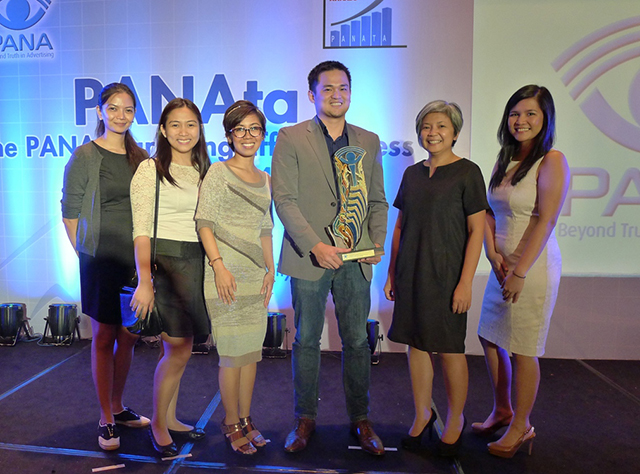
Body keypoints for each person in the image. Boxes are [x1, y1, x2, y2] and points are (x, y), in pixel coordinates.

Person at [272, 60, 388, 456]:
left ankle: (361, 419)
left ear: (351, 93)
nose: (336, 95)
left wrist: (376, 242)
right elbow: (284, 199)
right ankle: (304, 419)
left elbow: (377, 200)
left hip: (357, 258)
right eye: (327, 89)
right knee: (306, 339)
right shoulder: (291, 137)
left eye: (343, 88)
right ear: (312, 94)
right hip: (310, 257)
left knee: (356, 341)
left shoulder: (369, 139)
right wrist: (314, 245)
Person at [384, 101, 488, 456]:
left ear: (455, 132)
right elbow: (400, 227)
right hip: (410, 272)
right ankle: (422, 415)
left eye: (441, 126)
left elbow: (476, 231)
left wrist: (465, 282)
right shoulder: (412, 174)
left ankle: (455, 419)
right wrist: (392, 273)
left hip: (447, 276)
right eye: (427, 126)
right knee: (416, 345)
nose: (433, 133)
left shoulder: (468, 173)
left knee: (450, 349)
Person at [473, 85, 569, 458]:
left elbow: (546, 220)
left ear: (545, 119)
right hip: (501, 265)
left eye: (530, 113)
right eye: (515, 113)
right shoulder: (506, 158)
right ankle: (502, 410)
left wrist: (520, 271)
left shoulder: (552, 160)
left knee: (524, 349)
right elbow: (488, 212)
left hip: (533, 267)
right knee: (489, 337)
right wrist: (492, 254)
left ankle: (522, 425)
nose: (521, 120)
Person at [61, 83, 150, 451]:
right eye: (113, 108)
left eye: (128, 109)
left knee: (129, 337)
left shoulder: (142, 158)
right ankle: (105, 418)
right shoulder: (85, 155)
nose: (120, 115)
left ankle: (117, 405)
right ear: (100, 111)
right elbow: (69, 212)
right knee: (103, 338)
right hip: (98, 262)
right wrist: (85, 255)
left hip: (134, 261)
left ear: (134, 114)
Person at [130, 98, 211, 458]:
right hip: (164, 263)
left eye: (190, 124)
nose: (183, 132)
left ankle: (172, 418)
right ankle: (159, 425)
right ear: (163, 130)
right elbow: (141, 230)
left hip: (197, 260)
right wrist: (145, 280)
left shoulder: (205, 168)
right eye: (175, 124)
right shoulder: (150, 169)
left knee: (181, 347)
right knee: (177, 347)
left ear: (200, 129)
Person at [195, 100, 275, 455]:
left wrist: (270, 270)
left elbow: (265, 229)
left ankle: (245, 418)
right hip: (224, 276)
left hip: (255, 278)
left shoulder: (266, 179)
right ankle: (230, 422)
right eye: (239, 129)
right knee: (230, 355)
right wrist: (219, 266)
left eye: (254, 129)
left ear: (263, 134)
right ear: (229, 135)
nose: (247, 135)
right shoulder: (218, 173)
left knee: (250, 354)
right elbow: (204, 223)